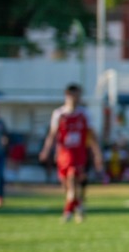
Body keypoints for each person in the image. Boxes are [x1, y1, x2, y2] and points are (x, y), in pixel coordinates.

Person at [40, 83, 98, 222]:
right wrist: (46, 150)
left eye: (79, 95)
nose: (77, 98)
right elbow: (53, 134)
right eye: (74, 95)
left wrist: (97, 153)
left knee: (73, 180)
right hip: (62, 154)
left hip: (78, 154)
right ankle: (78, 207)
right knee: (67, 186)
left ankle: (67, 213)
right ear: (68, 95)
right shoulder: (59, 114)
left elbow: (91, 135)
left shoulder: (84, 114)